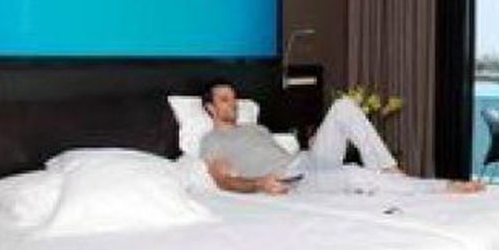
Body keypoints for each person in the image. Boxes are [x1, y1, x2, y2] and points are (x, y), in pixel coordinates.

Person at [198, 78, 483, 195]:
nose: (233, 104)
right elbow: (223, 180)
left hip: (303, 161)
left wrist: (313, 145)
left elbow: (283, 154)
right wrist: (260, 183)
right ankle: (440, 187)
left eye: (234, 98)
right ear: (210, 108)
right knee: (351, 173)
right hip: (290, 181)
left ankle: (389, 169)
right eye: (224, 100)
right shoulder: (212, 141)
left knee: (344, 106)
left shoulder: (255, 128)